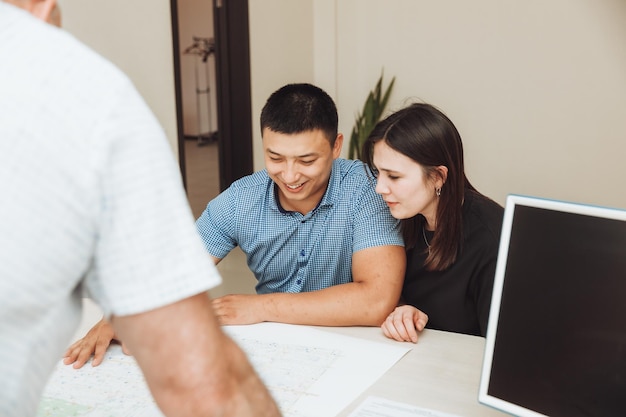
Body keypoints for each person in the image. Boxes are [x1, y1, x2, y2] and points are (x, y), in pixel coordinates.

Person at [0, 1, 280, 416]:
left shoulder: (358, 190)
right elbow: (203, 384)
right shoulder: (89, 99)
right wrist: (138, 300)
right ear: (46, 7)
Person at [64, 83, 407, 368]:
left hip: (356, 349)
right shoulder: (240, 200)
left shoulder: (368, 189)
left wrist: (261, 306)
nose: (289, 176)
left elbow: (375, 300)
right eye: (275, 158)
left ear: (335, 146)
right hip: (272, 349)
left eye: (306, 160)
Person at [362, 102, 504, 343]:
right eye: (378, 173)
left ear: (438, 177)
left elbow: (500, 348)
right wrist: (405, 310)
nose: (379, 188)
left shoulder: (491, 239)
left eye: (394, 176)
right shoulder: (404, 215)